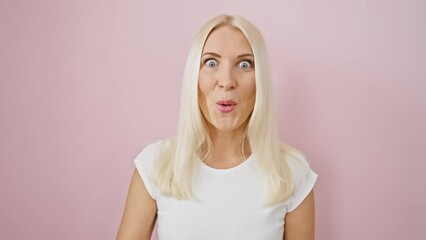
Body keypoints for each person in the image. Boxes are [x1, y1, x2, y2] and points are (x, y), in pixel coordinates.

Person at [116, 14, 318, 240]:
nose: (226, 81)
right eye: (211, 62)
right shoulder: (155, 166)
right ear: (194, 77)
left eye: (244, 64)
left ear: (261, 80)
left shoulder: (293, 174)